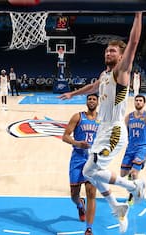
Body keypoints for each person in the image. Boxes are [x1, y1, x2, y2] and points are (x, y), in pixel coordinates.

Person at [58, 12, 145, 234]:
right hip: (104, 131)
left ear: (122, 55)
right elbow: (93, 87)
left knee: (91, 170)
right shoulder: (105, 74)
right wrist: (73, 94)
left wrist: (138, 14)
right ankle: (118, 206)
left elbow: (134, 41)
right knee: (89, 172)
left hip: (114, 130)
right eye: (107, 50)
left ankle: (134, 186)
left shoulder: (121, 71)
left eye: (113, 50)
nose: (108, 52)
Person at [62, 94, 99, 235]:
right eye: (89, 99)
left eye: (94, 99)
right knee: (74, 195)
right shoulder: (78, 117)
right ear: (86, 102)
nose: (91, 101)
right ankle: (79, 204)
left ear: (98, 102)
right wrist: (78, 143)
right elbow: (65, 136)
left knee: (91, 192)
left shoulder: (102, 120)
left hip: (93, 160)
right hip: (77, 158)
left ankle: (89, 228)